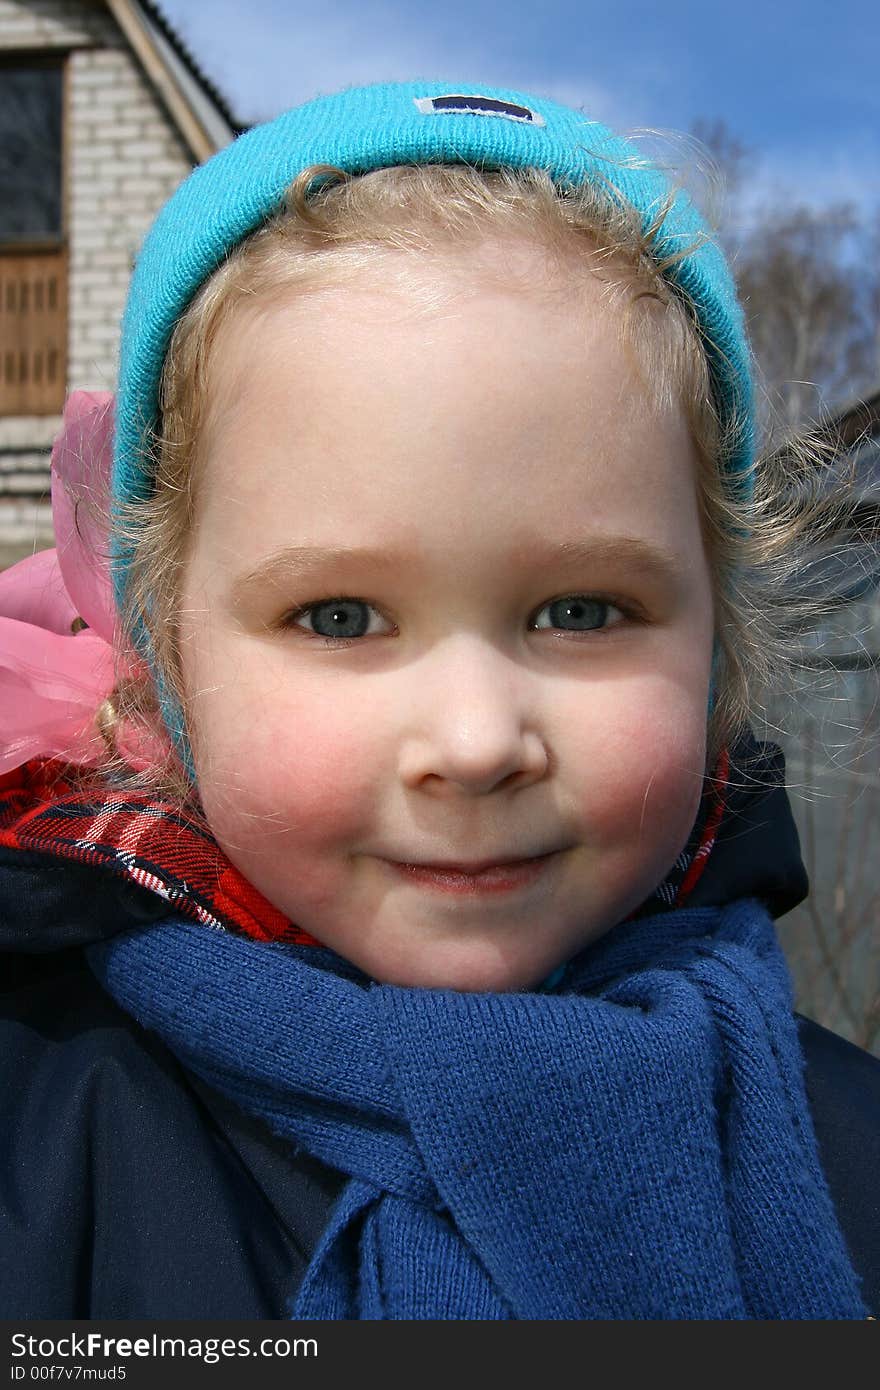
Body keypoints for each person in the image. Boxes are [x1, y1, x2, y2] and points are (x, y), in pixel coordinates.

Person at [1, 80, 878, 1320]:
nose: (474, 745)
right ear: (169, 655)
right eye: (340, 616)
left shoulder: (846, 1157)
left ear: (720, 646)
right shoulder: (38, 1140)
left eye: (581, 611)